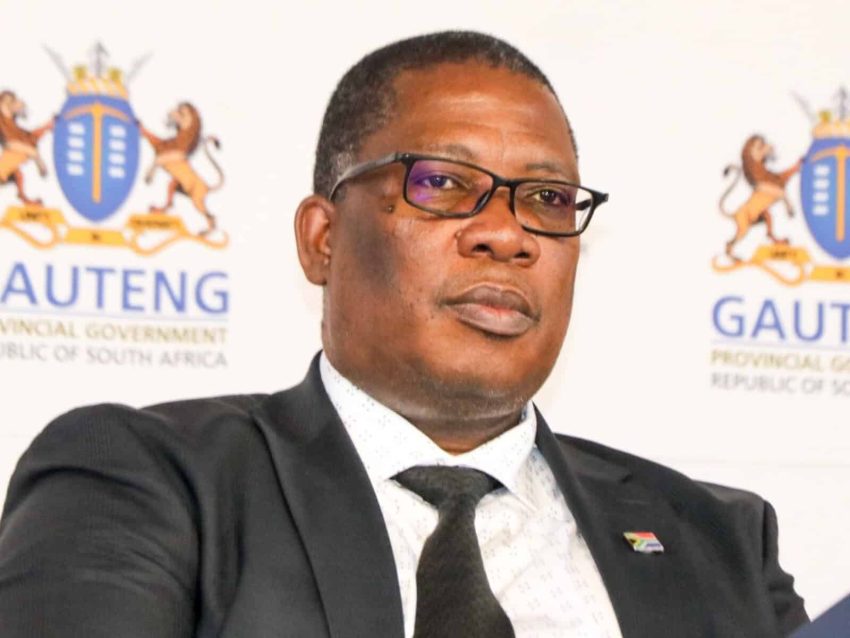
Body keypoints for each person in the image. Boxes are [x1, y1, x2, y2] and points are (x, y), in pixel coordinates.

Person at [0, 31, 807, 638]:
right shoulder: (149, 480)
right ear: (322, 239)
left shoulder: (718, 537)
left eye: (548, 199)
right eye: (444, 183)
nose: (507, 234)